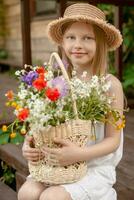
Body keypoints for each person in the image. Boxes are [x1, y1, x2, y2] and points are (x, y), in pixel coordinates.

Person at [18, 3, 124, 200]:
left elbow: (113, 141)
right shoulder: (57, 83)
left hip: (93, 166)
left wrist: (78, 154)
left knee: (52, 197)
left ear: (100, 43)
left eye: (87, 38)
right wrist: (30, 144)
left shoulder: (110, 85)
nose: (77, 44)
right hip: (57, 163)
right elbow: (48, 126)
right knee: (27, 192)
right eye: (71, 37)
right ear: (63, 42)